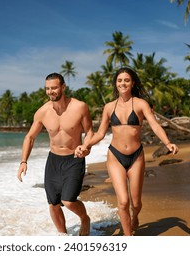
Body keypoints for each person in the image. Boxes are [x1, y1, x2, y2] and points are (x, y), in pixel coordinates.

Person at [75, 67, 179, 236]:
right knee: (123, 201)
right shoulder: (109, 107)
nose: (123, 83)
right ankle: (127, 236)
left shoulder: (140, 104)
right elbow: (100, 133)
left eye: (126, 80)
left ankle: (135, 216)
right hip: (115, 156)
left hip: (136, 156)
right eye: (120, 80)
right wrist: (85, 145)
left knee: (136, 203)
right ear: (116, 84)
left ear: (133, 83)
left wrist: (167, 142)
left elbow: (154, 124)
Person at [17, 72, 93, 236]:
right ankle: (62, 236)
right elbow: (30, 137)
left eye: (54, 88)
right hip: (53, 160)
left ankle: (85, 219)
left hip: (74, 158)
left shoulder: (80, 107)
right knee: (53, 203)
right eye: (47, 88)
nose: (51, 91)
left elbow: (90, 132)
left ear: (63, 87)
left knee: (68, 200)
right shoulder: (42, 112)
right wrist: (23, 161)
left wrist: (86, 146)